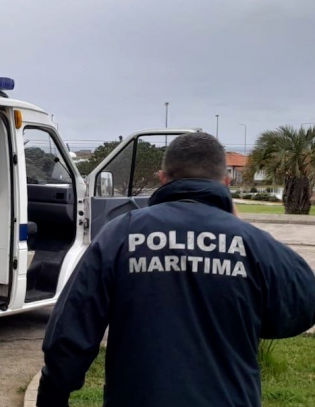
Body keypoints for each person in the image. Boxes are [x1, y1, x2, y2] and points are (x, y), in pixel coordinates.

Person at [36, 132, 315, 407]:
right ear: (227, 182)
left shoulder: (120, 234)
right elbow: (301, 308)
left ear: (162, 178)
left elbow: (70, 330)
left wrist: (53, 395)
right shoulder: (250, 242)